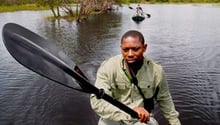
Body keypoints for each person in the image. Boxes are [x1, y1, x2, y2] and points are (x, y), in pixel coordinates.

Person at [90, 30, 181, 125]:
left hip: (141, 120)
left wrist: (175, 122)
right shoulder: (108, 67)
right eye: (125, 50)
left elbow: (165, 99)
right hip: (113, 118)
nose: (130, 54)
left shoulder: (156, 71)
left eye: (135, 49)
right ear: (121, 48)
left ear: (144, 48)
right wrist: (129, 112)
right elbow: (97, 103)